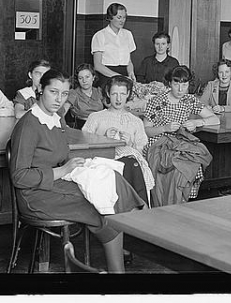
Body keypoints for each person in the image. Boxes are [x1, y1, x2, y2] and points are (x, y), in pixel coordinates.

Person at [9, 69, 146, 273]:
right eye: (53, 92)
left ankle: (136, 226)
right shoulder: (29, 124)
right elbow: (19, 177)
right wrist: (62, 170)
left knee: (109, 182)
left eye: (64, 94)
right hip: (35, 196)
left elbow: (60, 155)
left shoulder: (56, 120)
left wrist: (84, 165)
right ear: (40, 90)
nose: (59, 99)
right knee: (102, 208)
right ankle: (120, 272)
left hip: (55, 184)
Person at [143, 65, 219, 205]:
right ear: (170, 83)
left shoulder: (190, 100)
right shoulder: (157, 101)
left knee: (189, 168)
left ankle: (180, 202)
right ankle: (168, 204)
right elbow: (146, 130)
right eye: (176, 84)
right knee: (174, 170)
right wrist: (164, 128)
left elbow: (215, 119)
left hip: (181, 144)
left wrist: (198, 123)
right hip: (158, 144)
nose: (180, 89)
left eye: (184, 84)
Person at [82, 75, 153, 204]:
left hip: (130, 166)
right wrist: (103, 138)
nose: (118, 98)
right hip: (103, 164)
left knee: (133, 163)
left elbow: (143, 151)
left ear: (128, 95)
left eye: (122, 94)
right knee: (130, 165)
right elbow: (83, 145)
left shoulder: (135, 121)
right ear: (108, 93)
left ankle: (140, 208)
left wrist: (131, 143)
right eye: (114, 94)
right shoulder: (96, 117)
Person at [91, 2, 137, 90]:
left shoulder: (128, 34)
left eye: (124, 17)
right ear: (110, 17)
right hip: (106, 76)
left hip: (124, 75)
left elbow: (129, 61)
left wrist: (131, 73)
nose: (122, 20)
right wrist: (119, 77)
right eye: (119, 17)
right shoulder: (100, 35)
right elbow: (98, 65)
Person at [61, 63, 104, 129]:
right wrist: (63, 126)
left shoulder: (99, 91)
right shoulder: (73, 93)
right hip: (80, 128)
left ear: (93, 77)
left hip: (100, 127)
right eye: (81, 78)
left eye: (87, 77)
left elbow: (112, 108)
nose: (84, 81)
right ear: (77, 80)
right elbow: (62, 112)